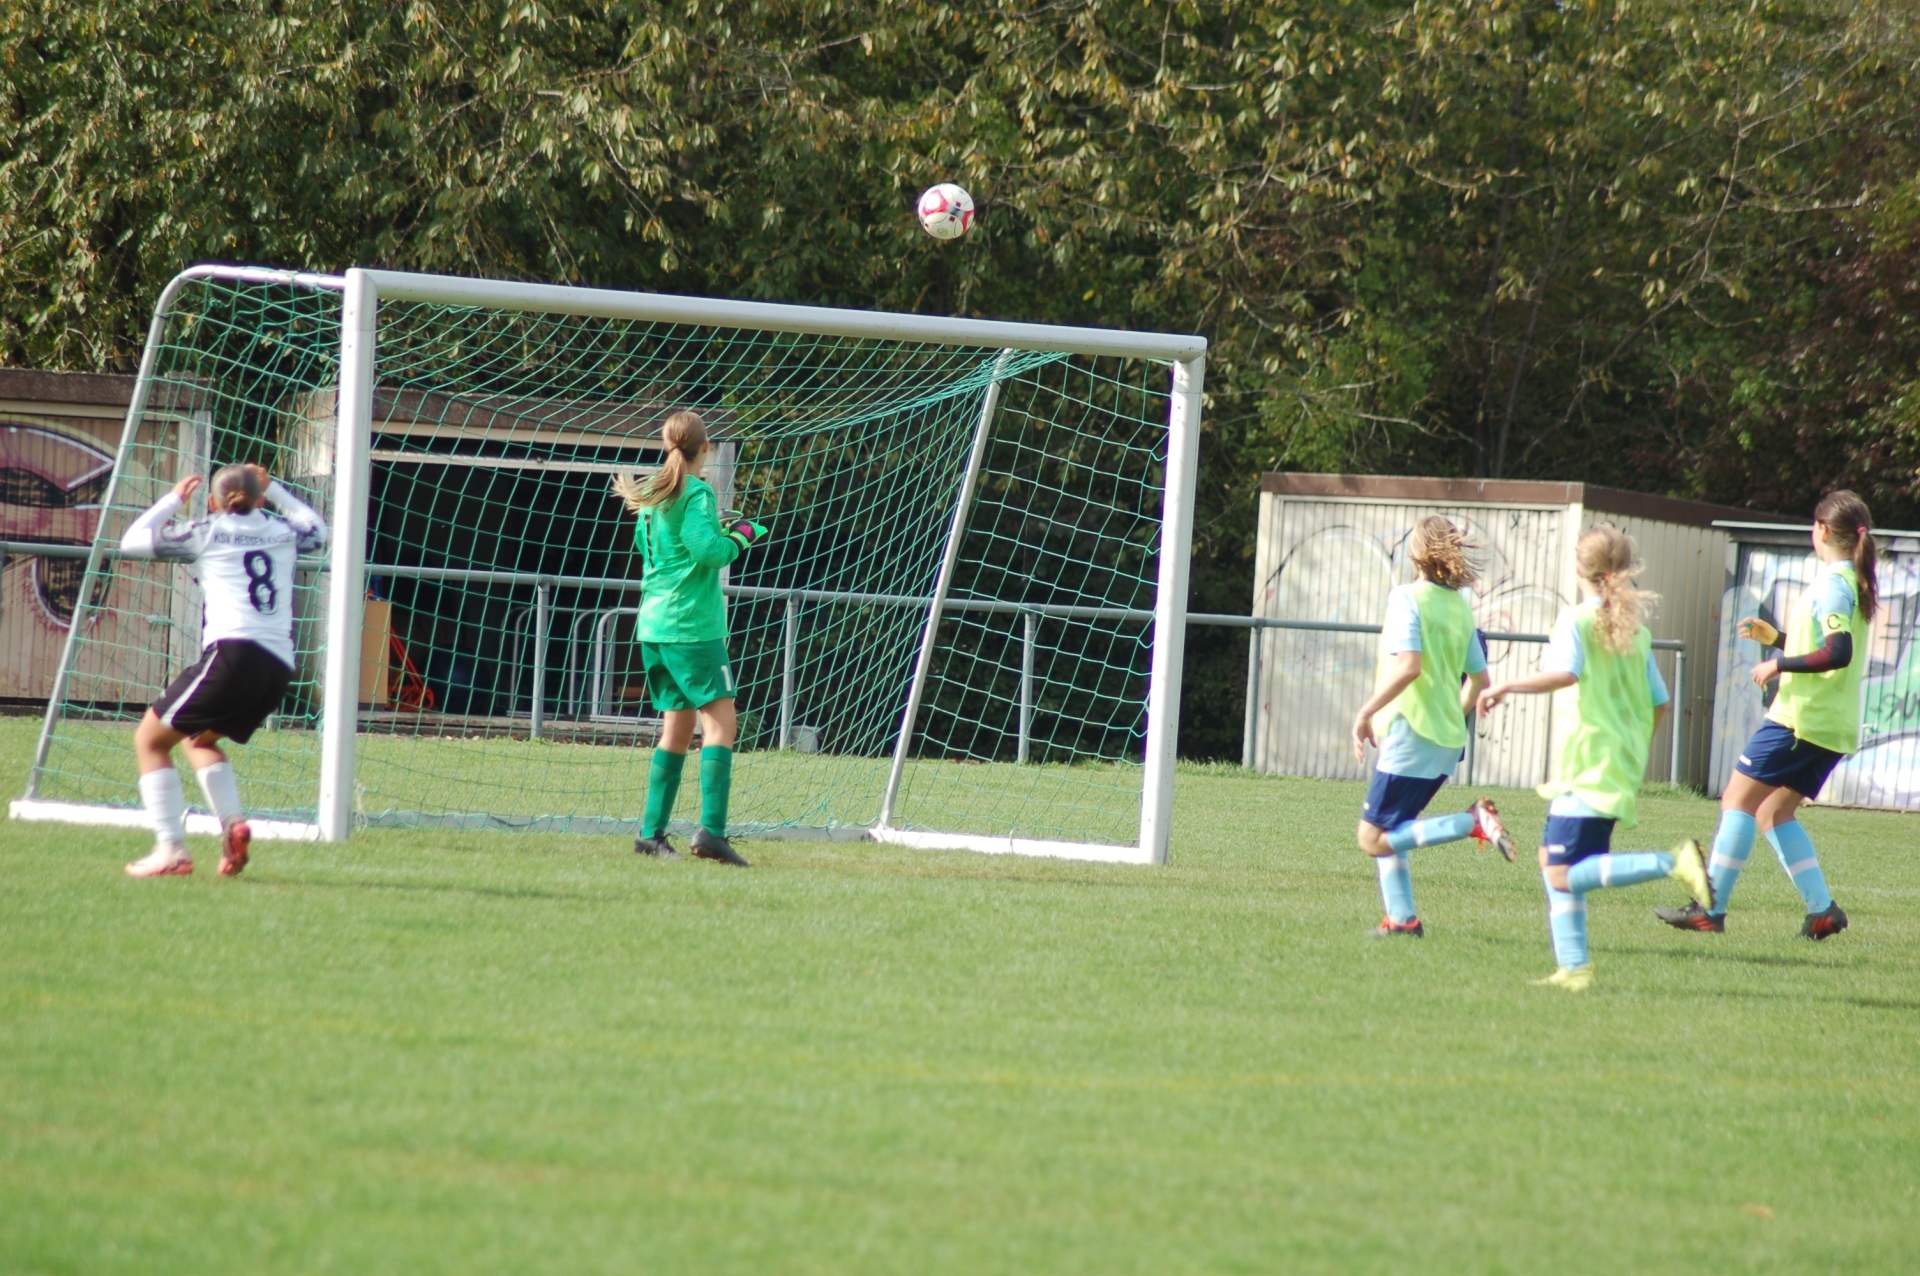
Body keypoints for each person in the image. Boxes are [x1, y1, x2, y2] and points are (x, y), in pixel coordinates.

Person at [1479, 525, 1712, 991]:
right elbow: (1660, 703)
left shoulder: (1577, 620)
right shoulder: (1636, 632)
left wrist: (1505, 684)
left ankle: (1673, 863)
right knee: (1556, 862)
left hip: (1585, 763)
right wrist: (1633, 748)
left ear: (1581, 569)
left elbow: (1565, 674)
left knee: (1560, 871)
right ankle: (1575, 968)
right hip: (1614, 764)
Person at [1656, 491, 1877, 939]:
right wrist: (1777, 639)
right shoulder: (1851, 582)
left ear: (1820, 530)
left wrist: (1778, 664)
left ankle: (1709, 909)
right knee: (1773, 814)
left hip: (1800, 720)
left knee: (1736, 801)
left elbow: (1838, 653)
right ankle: (1822, 912)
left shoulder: (1834, 584)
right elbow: (1822, 647)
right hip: (1829, 725)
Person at [119, 464, 329, 877]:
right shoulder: (282, 531)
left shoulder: (206, 531)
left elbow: (131, 541)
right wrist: (277, 490)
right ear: (260, 499)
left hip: (232, 656)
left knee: (150, 740)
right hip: (278, 668)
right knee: (198, 739)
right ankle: (233, 825)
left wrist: (173, 500)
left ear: (213, 503)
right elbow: (318, 532)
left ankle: (171, 849)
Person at [1350, 515, 1516, 939]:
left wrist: (1364, 712)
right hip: (1445, 740)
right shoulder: (1460, 608)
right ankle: (1402, 919)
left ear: (1415, 553)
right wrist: (1451, 717)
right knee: (1394, 829)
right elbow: (1480, 681)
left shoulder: (1406, 597)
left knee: (1371, 838)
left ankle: (1470, 821)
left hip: (1411, 733)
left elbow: (1409, 667)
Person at [614, 410, 766, 866]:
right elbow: (707, 551)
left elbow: (658, 550)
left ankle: (650, 834)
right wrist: (740, 535)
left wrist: (715, 530)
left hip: (654, 628)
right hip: (691, 630)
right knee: (721, 726)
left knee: (677, 730)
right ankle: (712, 832)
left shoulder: (652, 494)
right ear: (706, 448)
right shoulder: (696, 491)